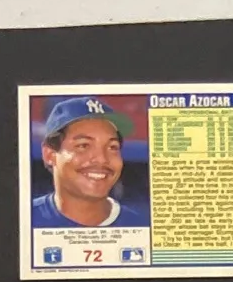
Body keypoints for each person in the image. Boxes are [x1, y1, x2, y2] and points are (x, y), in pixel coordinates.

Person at [31, 96, 147, 229]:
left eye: (112, 147)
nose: (102, 159)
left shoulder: (142, 227)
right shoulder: (23, 220)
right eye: (83, 145)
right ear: (50, 154)